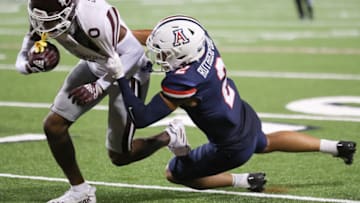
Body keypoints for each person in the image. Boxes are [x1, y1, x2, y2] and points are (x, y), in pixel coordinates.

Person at [104, 15, 357, 191]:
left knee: (175, 173)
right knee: (265, 142)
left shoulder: (184, 81)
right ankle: (336, 146)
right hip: (243, 115)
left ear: (182, 55)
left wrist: (120, 77)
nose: (160, 57)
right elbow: (169, 40)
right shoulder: (204, 43)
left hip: (230, 145)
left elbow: (142, 117)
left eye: (165, 54)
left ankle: (239, 178)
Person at [14, 0, 171, 202]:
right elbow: (23, 55)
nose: (47, 27)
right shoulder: (41, 13)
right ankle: (81, 192)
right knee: (54, 126)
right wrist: (29, 65)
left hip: (128, 71)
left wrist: (99, 86)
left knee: (120, 156)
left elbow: (134, 52)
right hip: (95, 63)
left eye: (52, 21)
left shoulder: (94, 17)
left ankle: (169, 136)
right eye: (43, 21)